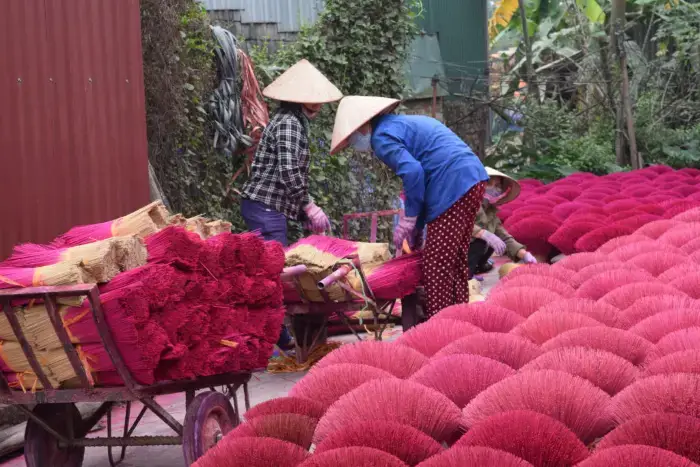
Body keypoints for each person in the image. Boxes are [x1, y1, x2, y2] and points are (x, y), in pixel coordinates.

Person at [330, 96, 490, 317]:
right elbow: (423, 182)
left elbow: (413, 173)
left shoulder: (381, 137)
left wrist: (408, 219)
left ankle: (441, 324)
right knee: (454, 260)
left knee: (436, 265)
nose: (354, 144)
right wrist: (416, 228)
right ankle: (459, 319)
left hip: (453, 183)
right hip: (471, 179)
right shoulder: (399, 125)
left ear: (363, 126)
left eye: (351, 138)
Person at [241, 59, 342, 348]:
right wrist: (309, 205)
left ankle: (277, 340)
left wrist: (302, 212)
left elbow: (286, 176)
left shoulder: (290, 122)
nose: (319, 107)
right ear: (302, 101)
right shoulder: (289, 125)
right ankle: (275, 343)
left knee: (272, 273)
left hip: (266, 207)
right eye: (315, 101)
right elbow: (288, 172)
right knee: (274, 275)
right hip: (264, 209)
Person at [470, 167, 537, 278]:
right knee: (481, 242)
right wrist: (480, 232)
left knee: (495, 240)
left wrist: (524, 254)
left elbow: (504, 236)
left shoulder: (490, 210)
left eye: (499, 186)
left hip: (470, 252)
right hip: (452, 253)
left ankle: (477, 267)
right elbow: (456, 224)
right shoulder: (466, 204)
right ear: (481, 184)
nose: (497, 190)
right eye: (494, 185)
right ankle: (464, 275)